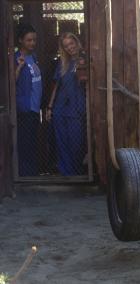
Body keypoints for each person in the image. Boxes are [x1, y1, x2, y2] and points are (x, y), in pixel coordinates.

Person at [46, 32, 87, 176]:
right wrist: (50, 107)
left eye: (71, 43)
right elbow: (56, 86)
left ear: (76, 42)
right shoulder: (63, 63)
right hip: (60, 108)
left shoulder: (85, 59)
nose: (70, 48)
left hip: (77, 107)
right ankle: (66, 174)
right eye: (66, 46)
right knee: (62, 143)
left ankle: (77, 173)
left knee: (77, 143)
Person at [15, 23, 42, 176]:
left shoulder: (33, 57)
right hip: (24, 108)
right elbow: (10, 81)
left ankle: (32, 172)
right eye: (28, 40)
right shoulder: (15, 58)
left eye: (34, 40)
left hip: (34, 107)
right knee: (25, 143)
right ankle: (25, 175)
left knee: (32, 141)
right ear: (21, 41)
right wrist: (19, 67)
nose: (32, 43)